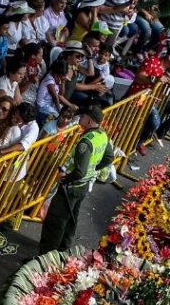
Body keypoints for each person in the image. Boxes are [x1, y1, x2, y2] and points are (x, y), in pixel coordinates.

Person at [37, 106, 114, 254]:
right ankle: (63, 250)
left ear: (89, 120)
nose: (80, 118)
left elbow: (79, 171)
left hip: (71, 187)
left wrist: (64, 179)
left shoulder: (86, 142)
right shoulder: (102, 135)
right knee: (71, 219)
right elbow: (109, 157)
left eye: (83, 116)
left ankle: (45, 257)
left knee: (55, 222)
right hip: (83, 186)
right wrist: (94, 168)